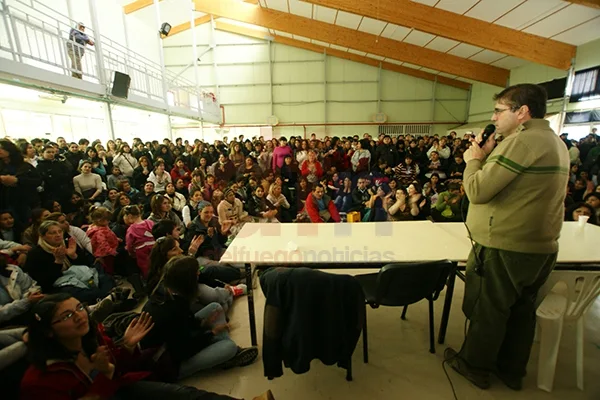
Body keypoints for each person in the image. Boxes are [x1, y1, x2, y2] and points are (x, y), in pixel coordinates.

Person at [444, 84, 570, 391]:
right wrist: (488, 157)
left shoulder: (522, 143)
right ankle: (511, 370)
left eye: (500, 110)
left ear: (522, 112)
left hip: (506, 247)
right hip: (538, 248)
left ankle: (474, 366)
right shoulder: (553, 142)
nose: (494, 117)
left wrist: (474, 159)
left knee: (490, 309)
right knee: (520, 312)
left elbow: (477, 190)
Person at [21, 293, 270, 399]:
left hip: (125, 386)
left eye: (79, 308)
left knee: (188, 395)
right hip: (119, 388)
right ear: (48, 332)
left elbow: (120, 368)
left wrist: (127, 347)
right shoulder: (39, 380)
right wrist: (106, 373)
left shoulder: (92, 337)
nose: (79, 316)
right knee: (223, 346)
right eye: (65, 316)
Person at [142, 256, 258, 379]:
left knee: (215, 308)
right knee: (229, 347)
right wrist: (212, 333)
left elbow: (186, 324)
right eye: (195, 274)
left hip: (179, 342)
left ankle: (224, 352)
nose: (198, 274)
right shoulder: (172, 308)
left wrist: (203, 324)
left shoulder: (171, 293)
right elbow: (183, 350)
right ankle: (228, 355)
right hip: (170, 364)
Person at [23, 221, 114, 304]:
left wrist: (73, 256)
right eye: (53, 233)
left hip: (79, 275)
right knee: (80, 292)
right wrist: (58, 262)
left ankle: (107, 298)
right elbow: (44, 282)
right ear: (43, 236)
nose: (58, 235)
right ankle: (107, 298)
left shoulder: (67, 244)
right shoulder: (35, 253)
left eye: (60, 231)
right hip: (59, 285)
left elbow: (86, 264)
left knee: (105, 278)